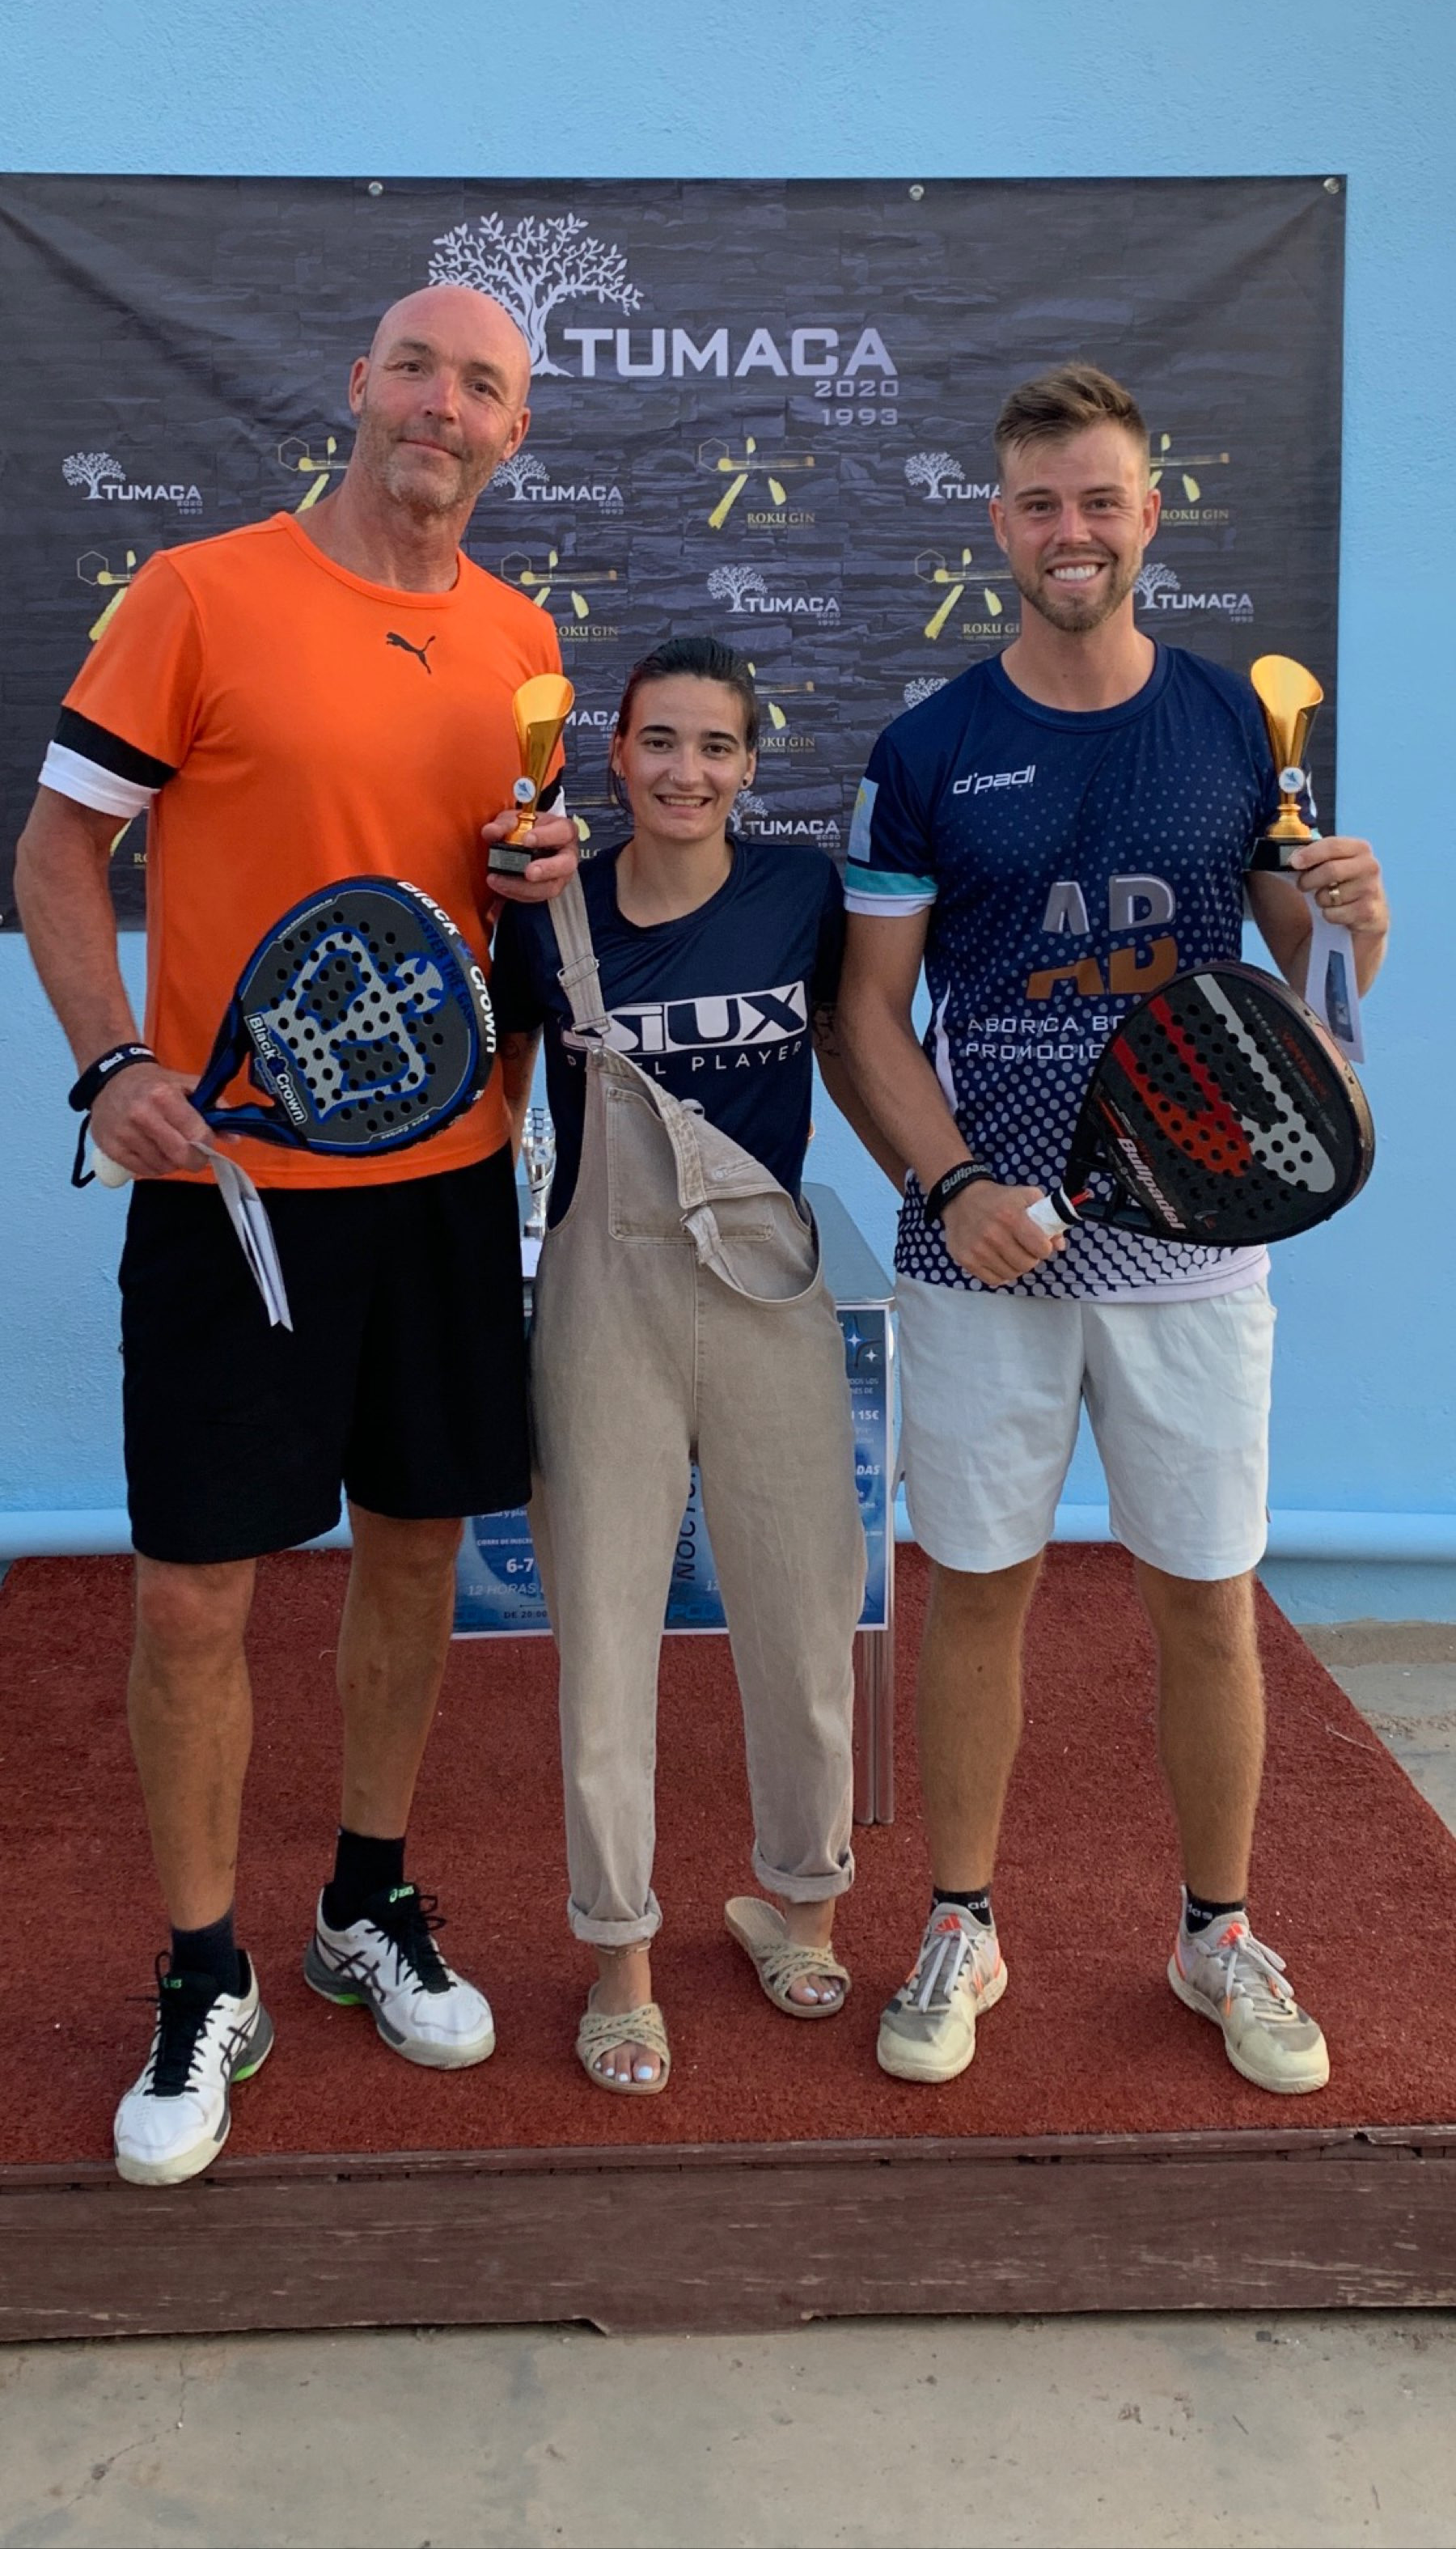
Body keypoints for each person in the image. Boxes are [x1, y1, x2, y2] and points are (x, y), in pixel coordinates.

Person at [15, 283, 578, 2185]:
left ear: (513, 432)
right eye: (416, 367)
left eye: (481, 385)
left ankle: (364, 1898)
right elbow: (58, 849)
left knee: (414, 1553)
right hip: (230, 1197)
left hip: (446, 1189)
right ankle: (202, 1970)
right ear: (358, 384)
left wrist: (544, 880)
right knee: (193, 1592)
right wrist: (110, 1059)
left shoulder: (523, 641)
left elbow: (494, 918)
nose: (442, 404)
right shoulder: (197, 593)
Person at [836, 362, 1388, 2097]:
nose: (1070, 531)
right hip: (981, 1258)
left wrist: (1360, 922)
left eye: (1100, 500)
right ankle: (961, 1919)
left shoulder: (1236, 726)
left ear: (1151, 515)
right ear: (996, 524)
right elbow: (868, 1017)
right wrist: (953, 1188)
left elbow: (1314, 1008)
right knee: (975, 1596)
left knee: (1208, 1603)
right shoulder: (927, 748)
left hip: (1192, 1254)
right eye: (1039, 504)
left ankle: (1217, 1930)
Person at [491, 636, 899, 2094]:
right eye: (660, 741)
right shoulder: (548, 908)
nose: (686, 771)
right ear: (615, 757)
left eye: (716, 745)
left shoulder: (800, 894)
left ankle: (801, 1903)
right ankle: (620, 1955)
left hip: (769, 1289)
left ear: (750, 763)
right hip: (604, 1297)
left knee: (803, 1614)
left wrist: (944, 1180)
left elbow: (861, 1041)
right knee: (605, 1639)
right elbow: (498, 1096)